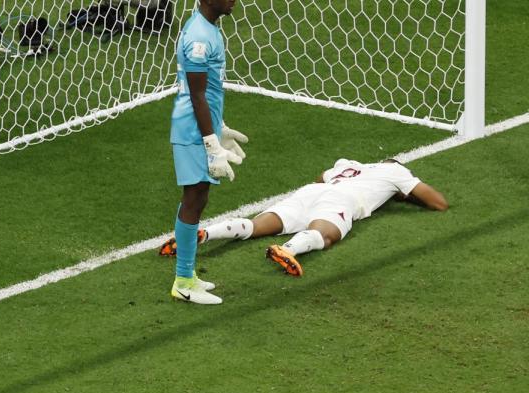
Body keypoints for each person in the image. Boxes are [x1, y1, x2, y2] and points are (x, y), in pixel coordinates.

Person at [199, 158, 449, 275]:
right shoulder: (397, 171)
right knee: (324, 234)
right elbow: (439, 203)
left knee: (256, 225)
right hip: (342, 199)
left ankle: (206, 233)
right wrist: (404, 195)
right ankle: (288, 250)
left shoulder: (349, 164)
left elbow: (321, 177)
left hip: (312, 191)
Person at [168, 0, 247, 305]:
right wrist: (211, 144)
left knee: (199, 197)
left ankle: (187, 275)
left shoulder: (209, 28)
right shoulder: (199, 37)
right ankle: (183, 281)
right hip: (192, 131)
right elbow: (197, 94)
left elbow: (209, 90)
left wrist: (219, 126)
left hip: (200, 127)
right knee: (194, 197)